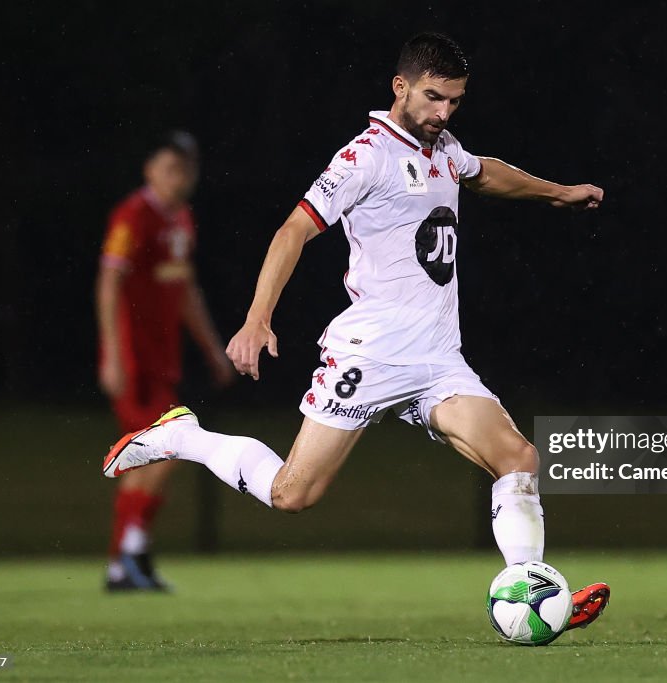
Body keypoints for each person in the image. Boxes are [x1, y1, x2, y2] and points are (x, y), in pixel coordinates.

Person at [102, 34, 610, 627]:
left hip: (440, 360)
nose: (443, 112)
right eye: (433, 97)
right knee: (293, 494)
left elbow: (481, 174)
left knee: (518, 457)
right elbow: (294, 230)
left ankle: (531, 590)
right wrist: (257, 318)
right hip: (370, 356)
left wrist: (557, 193)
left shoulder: (443, 146)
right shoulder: (364, 156)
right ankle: (186, 436)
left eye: (455, 101)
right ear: (400, 87)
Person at [96, 131, 234, 591]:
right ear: (150, 170)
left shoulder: (181, 219)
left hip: (161, 361)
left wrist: (214, 348)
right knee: (164, 450)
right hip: (134, 363)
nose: (181, 176)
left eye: (187, 168)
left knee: (150, 457)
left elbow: (187, 291)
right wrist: (113, 356)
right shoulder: (133, 215)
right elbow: (109, 283)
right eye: (171, 167)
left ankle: (124, 563)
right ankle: (130, 554)